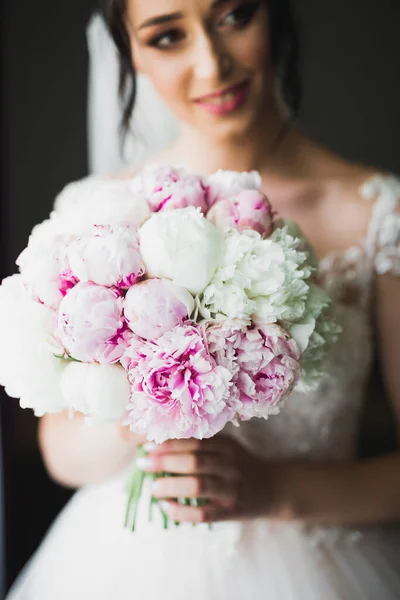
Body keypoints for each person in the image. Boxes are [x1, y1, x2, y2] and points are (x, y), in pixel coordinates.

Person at [6, 0, 400, 598]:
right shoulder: (98, 215)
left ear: (277, 16)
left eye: (235, 16)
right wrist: (145, 395)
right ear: (131, 52)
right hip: (115, 567)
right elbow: (62, 457)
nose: (212, 66)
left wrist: (276, 491)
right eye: (167, 36)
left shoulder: (375, 213)